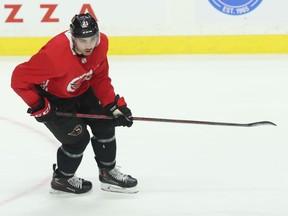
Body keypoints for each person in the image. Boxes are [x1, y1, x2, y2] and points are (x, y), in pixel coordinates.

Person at [11, 13, 138, 194]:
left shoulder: (101, 44)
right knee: (77, 139)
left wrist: (113, 104)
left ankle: (108, 173)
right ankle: (62, 179)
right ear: (73, 37)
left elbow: (100, 76)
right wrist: (39, 105)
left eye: (93, 39)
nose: (89, 45)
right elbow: (18, 78)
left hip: (83, 89)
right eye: (83, 40)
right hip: (54, 97)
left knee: (106, 123)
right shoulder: (53, 55)